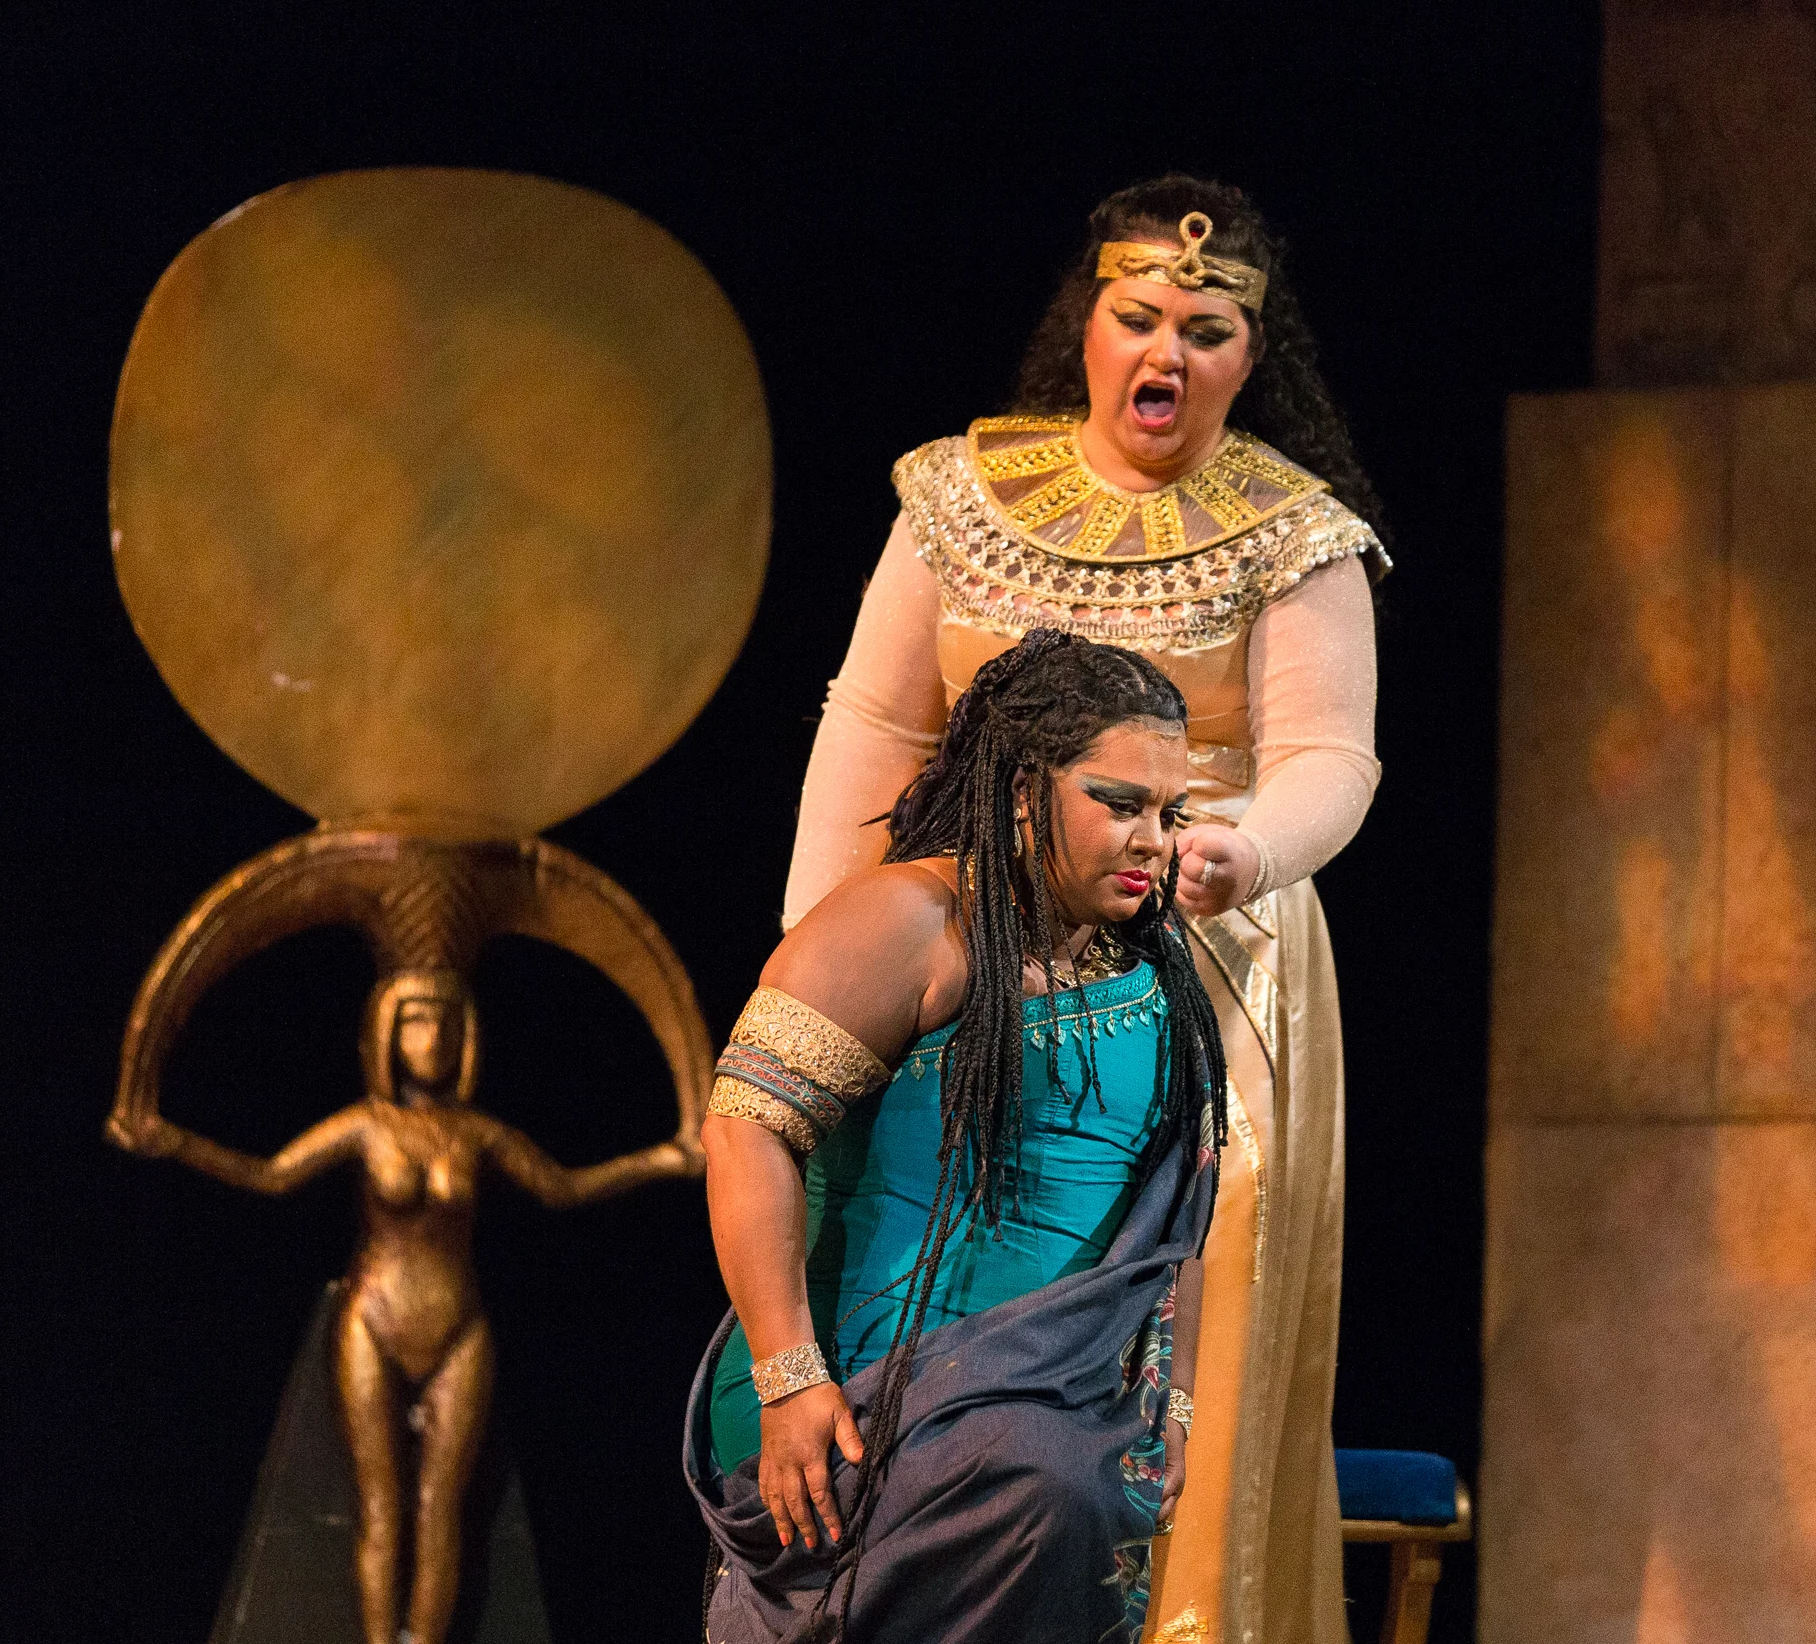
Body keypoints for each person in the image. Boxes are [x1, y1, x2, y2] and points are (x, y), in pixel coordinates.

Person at [781, 175, 1386, 1642]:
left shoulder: (1291, 531)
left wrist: (1243, 849)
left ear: (1251, 357)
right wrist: (813, 947)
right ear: (1091, 326)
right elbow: (876, 722)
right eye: (1139, 316)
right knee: (923, 1226)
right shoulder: (959, 496)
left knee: (1193, 1272)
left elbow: (1332, 756)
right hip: (964, 945)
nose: (1167, 350)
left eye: (1207, 328)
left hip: (1200, 951)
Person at [689, 629, 1229, 1642]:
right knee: (1039, 1482)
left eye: (1171, 812)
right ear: (1023, 790)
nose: (1153, 840)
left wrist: (1174, 1408)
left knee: (1059, 1478)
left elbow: (1176, 1230)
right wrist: (788, 1378)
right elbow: (744, 1131)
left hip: (1054, 1402)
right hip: (861, 1380)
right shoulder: (907, 920)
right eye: (1120, 803)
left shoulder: (1155, 974)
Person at [112, 967, 699, 1644]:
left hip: (458, 1324)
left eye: (448, 1019)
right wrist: (174, 1140)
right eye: (417, 1018)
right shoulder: (368, 1124)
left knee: (441, 1507)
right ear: (386, 1032)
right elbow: (273, 1173)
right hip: (374, 1317)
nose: (434, 1035)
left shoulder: (474, 1133)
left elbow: (561, 1186)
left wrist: (664, 1158)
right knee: (380, 1504)